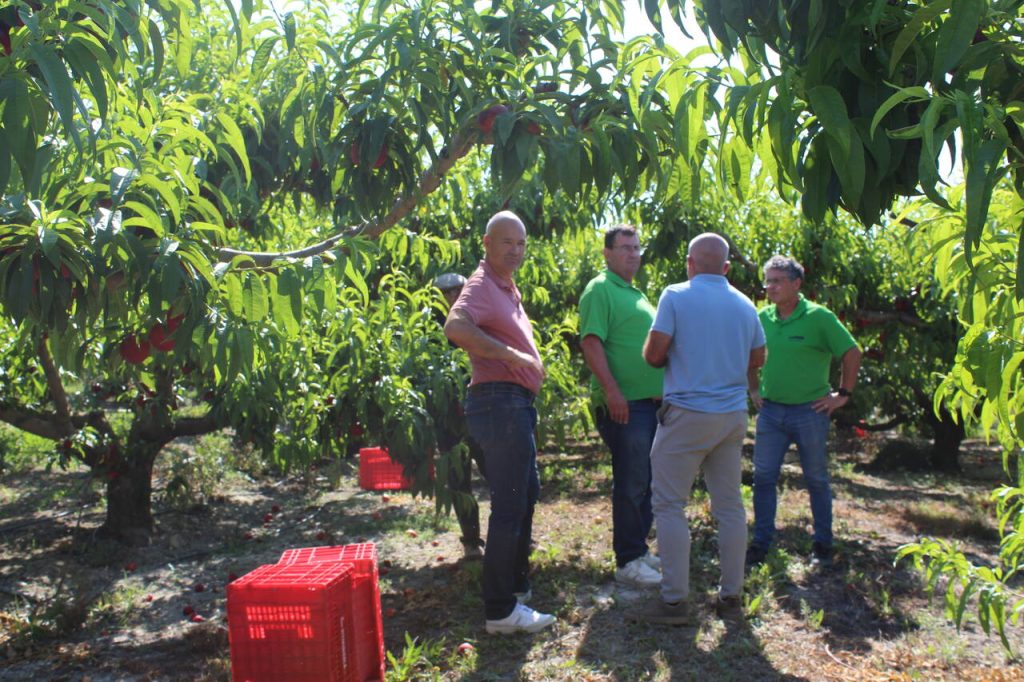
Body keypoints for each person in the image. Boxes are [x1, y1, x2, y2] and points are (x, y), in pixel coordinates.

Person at [630, 233, 765, 625]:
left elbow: (655, 355)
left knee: (670, 505)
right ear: (726, 268)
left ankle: (674, 602)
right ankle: (731, 597)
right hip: (731, 415)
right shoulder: (745, 305)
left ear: (690, 263)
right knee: (729, 507)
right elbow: (758, 357)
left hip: (687, 413)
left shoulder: (675, 295)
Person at [444, 211, 556, 635]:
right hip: (499, 402)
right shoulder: (481, 285)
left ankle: (514, 587)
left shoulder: (506, 288)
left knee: (526, 492)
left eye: (522, 243)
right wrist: (513, 357)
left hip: (514, 403)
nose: (516, 250)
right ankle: (500, 609)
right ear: (487, 243)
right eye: (507, 242)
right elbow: (455, 326)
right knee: (511, 502)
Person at [746, 256, 861, 570]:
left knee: (816, 479)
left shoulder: (818, 317)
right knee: (764, 477)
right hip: (771, 412)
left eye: (777, 281)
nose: (770, 287)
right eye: (767, 281)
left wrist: (843, 395)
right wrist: (753, 389)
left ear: (797, 284)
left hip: (810, 411)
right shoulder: (762, 317)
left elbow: (851, 352)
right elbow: (750, 356)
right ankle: (761, 543)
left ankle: (823, 543)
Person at [578, 225, 664, 587]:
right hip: (625, 404)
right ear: (607, 253)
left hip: (649, 404)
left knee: (644, 480)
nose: (632, 254)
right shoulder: (601, 289)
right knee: (631, 481)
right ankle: (628, 559)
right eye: (625, 248)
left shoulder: (635, 292)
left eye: (636, 248)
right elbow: (591, 342)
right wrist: (613, 391)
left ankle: (639, 550)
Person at [432, 272, 486, 560]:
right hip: (449, 421)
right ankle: (471, 541)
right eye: (446, 292)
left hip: (480, 411)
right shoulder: (430, 329)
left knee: (497, 473)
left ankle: (516, 534)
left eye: (458, 290)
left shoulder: (477, 318)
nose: (453, 296)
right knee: (458, 480)